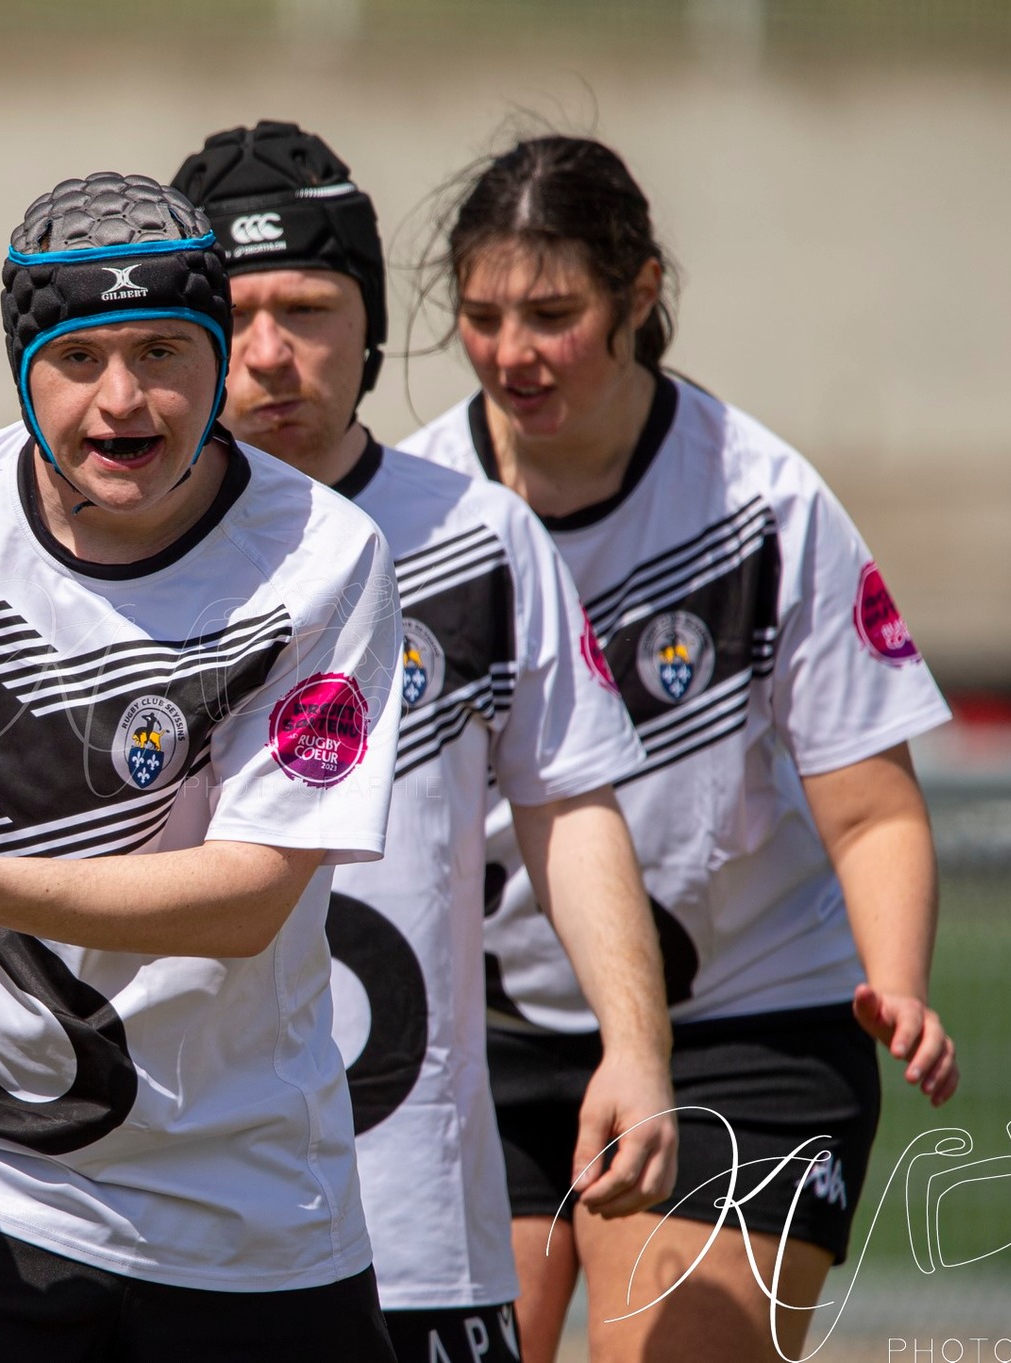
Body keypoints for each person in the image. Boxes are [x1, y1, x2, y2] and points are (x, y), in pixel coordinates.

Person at [0, 171, 405, 1363]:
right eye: (79, 355)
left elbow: (252, 893)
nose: (123, 397)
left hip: (245, 1208)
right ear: (21, 366)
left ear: (216, 359)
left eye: (161, 348)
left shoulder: (321, 560)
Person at [401, 135, 960, 1362]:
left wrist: (899, 979)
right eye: (482, 315)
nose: (510, 353)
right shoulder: (412, 513)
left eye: (553, 314)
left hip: (746, 1035)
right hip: (477, 1049)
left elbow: (869, 812)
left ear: (638, 295)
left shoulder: (762, 503)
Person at [172, 121, 677, 1363]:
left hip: (412, 1237)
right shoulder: (109, 550)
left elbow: (570, 808)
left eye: (308, 307)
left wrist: (633, 1043)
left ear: (372, 324)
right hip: (165, 1215)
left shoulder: (475, 535)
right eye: (233, 314)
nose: (269, 355)